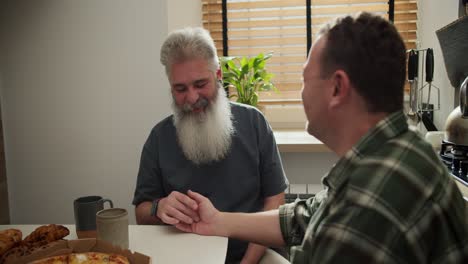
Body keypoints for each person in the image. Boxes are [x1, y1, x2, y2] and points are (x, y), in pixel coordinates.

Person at [174, 12, 468, 263]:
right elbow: (305, 216)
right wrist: (218, 221)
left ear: (337, 88)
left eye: (304, 79)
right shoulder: (401, 151)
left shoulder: (365, 209)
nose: (300, 92)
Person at [132, 27, 289, 263]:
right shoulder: (158, 138)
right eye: (180, 89)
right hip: (184, 256)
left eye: (200, 84)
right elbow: (142, 212)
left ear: (218, 76)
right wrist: (159, 207)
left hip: (255, 253)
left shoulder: (254, 123)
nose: (192, 97)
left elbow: (274, 203)